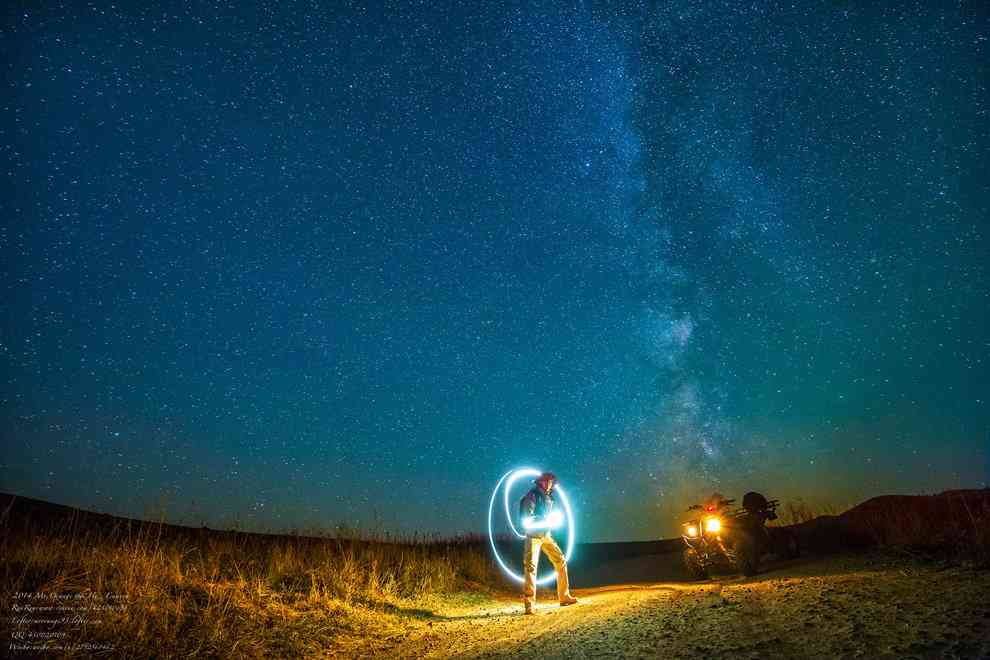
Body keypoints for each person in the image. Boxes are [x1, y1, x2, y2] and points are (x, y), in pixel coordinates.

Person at [518, 471, 578, 614]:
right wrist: (545, 521)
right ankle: (529, 604)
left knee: (560, 560)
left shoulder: (549, 497)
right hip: (533, 536)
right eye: (550, 481)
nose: (552, 484)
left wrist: (551, 522)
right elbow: (527, 518)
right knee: (531, 567)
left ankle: (564, 596)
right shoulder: (532, 495)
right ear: (542, 482)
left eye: (552, 482)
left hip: (546, 534)